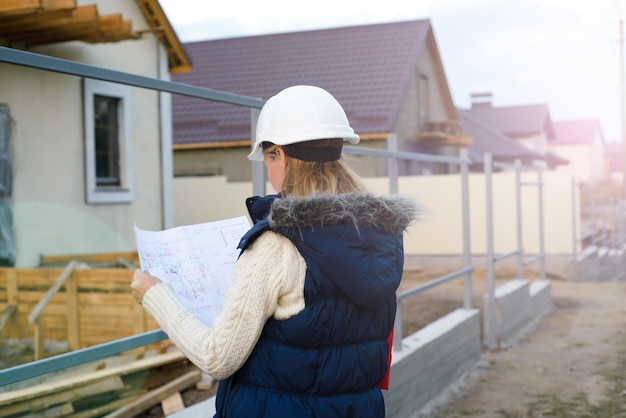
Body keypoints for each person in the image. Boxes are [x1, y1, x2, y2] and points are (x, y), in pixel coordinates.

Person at [131, 85, 420, 417]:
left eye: (268, 157)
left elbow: (218, 357)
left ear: (279, 155)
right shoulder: (378, 234)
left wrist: (155, 295)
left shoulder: (277, 245)